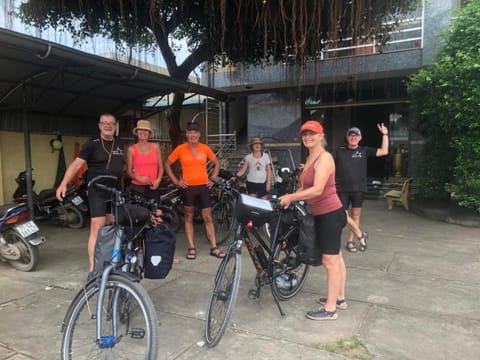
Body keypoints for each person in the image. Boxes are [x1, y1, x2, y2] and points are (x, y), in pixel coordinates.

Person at [279, 120, 347, 321]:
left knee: (330, 260)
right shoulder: (310, 157)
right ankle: (340, 299)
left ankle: (330, 309)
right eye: (304, 135)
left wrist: (292, 198)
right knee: (337, 257)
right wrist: (289, 196)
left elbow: (317, 189)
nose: (308, 137)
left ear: (321, 136)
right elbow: (305, 187)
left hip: (330, 214)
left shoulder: (324, 158)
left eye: (312, 134)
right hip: (320, 213)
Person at [56, 113, 125, 280]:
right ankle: (94, 269)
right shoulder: (91, 144)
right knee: (97, 225)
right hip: (97, 189)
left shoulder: (121, 143)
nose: (108, 126)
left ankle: (110, 261)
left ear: (115, 126)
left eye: (111, 123)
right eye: (105, 123)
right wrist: (63, 183)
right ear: (99, 125)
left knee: (113, 225)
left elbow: (125, 167)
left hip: (114, 190)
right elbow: (76, 165)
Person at [164, 121, 225, 260]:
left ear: (199, 134)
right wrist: (176, 181)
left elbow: (217, 163)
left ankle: (214, 247)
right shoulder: (180, 148)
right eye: (190, 132)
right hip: (188, 188)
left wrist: (213, 178)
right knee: (188, 217)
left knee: (208, 217)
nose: (192, 135)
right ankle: (191, 248)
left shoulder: (205, 148)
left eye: (195, 132)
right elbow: (167, 164)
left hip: (204, 186)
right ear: (186, 134)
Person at [334, 125, 389, 252]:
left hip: (359, 189)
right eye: (351, 135)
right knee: (342, 214)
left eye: (356, 135)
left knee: (356, 216)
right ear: (347, 137)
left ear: (360, 138)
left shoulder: (364, 150)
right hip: (342, 189)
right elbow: (325, 160)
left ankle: (350, 242)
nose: (353, 138)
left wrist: (385, 134)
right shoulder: (339, 151)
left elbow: (384, 151)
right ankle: (361, 235)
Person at [126, 119, 163, 202]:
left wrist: (158, 180)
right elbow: (128, 171)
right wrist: (139, 178)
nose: (143, 132)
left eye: (146, 130)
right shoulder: (131, 149)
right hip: (137, 188)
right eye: (141, 129)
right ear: (137, 132)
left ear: (149, 133)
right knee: (141, 214)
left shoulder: (155, 147)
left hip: (153, 186)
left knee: (156, 213)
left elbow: (161, 167)